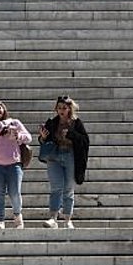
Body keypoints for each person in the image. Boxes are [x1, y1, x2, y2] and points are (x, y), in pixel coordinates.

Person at [38, 95, 90, 229]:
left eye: (64, 108)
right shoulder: (52, 122)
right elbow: (45, 140)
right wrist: (42, 138)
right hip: (54, 157)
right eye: (59, 108)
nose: (61, 110)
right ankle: (53, 218)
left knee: (68, 189)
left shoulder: (76, 122)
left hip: (70, 156)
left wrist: (71, 134)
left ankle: (67, 219)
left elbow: (85, 140)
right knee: (56, 188)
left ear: (69, 109)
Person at [0, 100, 31, 229]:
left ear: (4, 109)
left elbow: (29, 137)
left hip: (14, 164)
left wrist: (18, 136)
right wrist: (6, 123)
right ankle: (0, 221)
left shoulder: (15, 123)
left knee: (15, 192)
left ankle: (17, 216)